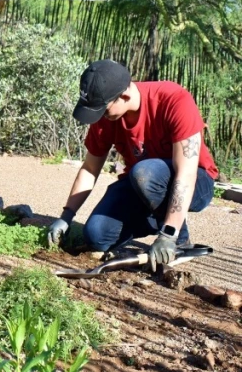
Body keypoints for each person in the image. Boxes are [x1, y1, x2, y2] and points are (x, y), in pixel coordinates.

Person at [48, 59, 218, 271]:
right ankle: (156, 217)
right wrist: (66, 216)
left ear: (124, 96)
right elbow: (90, 169)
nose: (100, 116)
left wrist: (169, 234)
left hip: (196, 182)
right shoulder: (107, 115)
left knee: (145, 173)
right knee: (96, 235)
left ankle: (179, 241)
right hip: (143, 185)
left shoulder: (174, 100)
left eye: (103, 109)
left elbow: (186, 173)